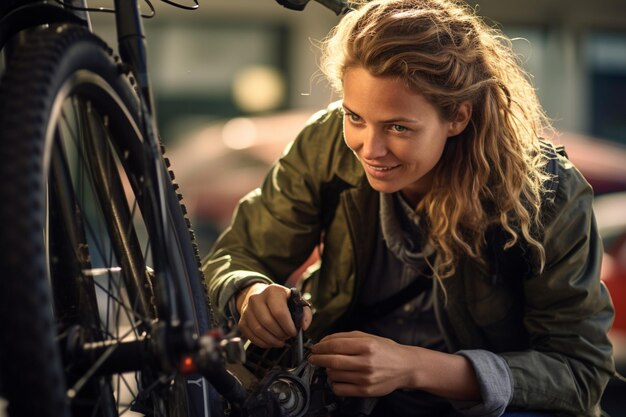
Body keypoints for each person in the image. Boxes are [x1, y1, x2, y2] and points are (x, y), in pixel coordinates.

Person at [202, 0, 616, 415]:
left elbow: (579, 371)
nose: (370, 149)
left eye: (399, 127)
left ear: (457, 117)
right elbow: (236, 256)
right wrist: (247, 291)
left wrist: (415, 367)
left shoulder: (546, 192)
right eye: (356, 117)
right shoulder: (325, 144)